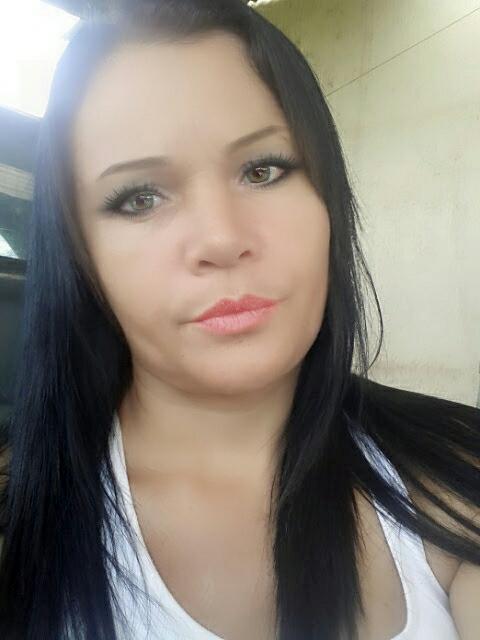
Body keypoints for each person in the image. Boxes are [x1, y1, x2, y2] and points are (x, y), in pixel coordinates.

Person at [0, 1, 478, 638]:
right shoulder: (19, 517)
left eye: (263, 170)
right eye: (140, 198)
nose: (222, 239)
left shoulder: (455, 482)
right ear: (80, 257)